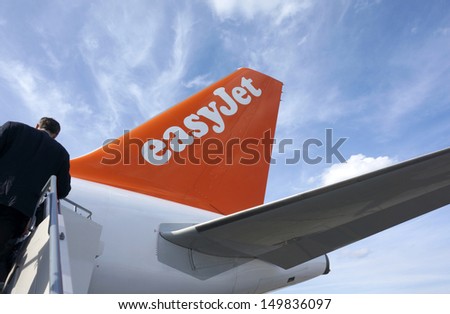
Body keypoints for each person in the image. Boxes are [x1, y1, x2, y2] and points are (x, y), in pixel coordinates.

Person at [0, 117, 71, 285]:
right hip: (17, 212)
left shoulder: (13, 128)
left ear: (37, 125)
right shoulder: (61, 153)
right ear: (55, 135)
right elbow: (63, 190)